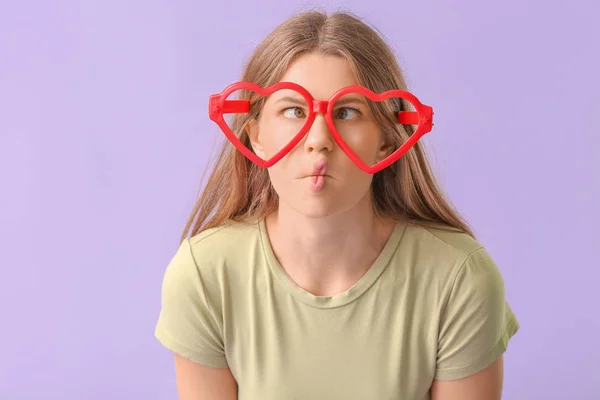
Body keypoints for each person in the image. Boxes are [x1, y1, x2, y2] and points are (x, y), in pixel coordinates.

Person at [154, 9, 519, 400]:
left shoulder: (459, 279)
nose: (319, 139)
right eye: (293, 111)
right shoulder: (205, 275)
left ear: (387, 140)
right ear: (255, 135)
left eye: (347, 112)